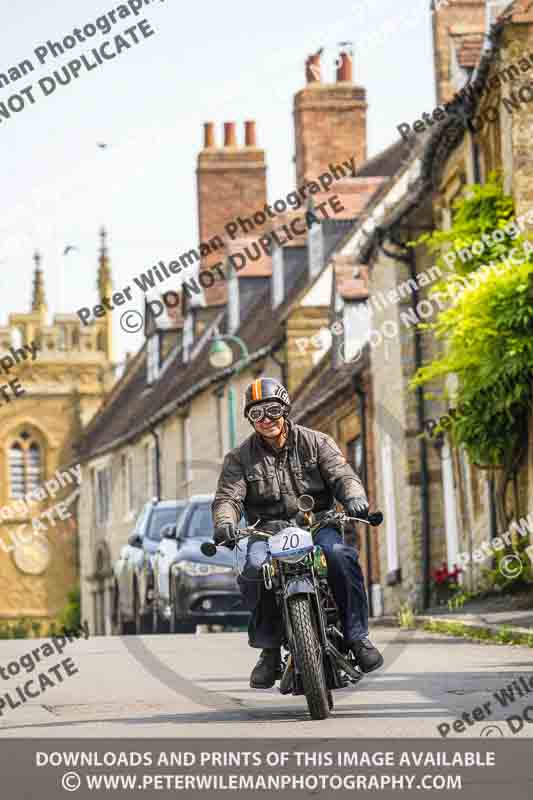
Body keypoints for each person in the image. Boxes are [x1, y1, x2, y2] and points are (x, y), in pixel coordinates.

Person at [212, 377, 383, 689]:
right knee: (252, 569)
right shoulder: (238, 459)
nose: (265, 420)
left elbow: (342, 474)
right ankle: (269, 649)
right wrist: (225, 523)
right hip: (267, 532)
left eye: (272, 411)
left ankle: (358, 638)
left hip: (316, 524)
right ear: (250, 420)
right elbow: (228, 498)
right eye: (256, 414)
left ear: (285, 410)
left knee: (339, 556)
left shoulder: (316, 442)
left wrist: (355, 498)